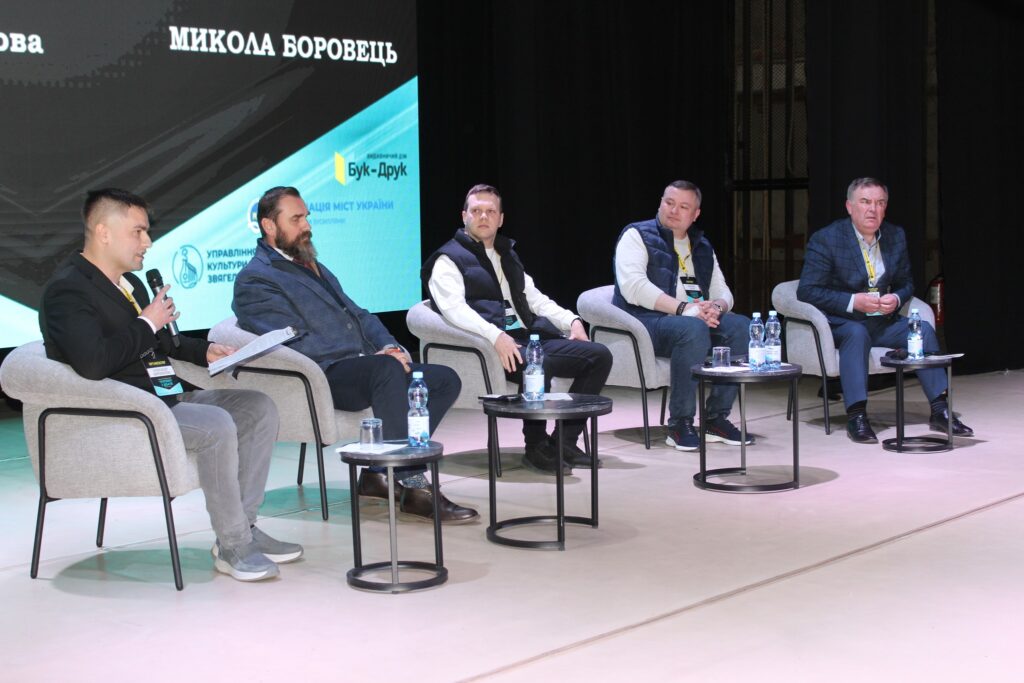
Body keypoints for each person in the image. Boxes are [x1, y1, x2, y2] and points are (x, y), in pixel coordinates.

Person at [40, 188, 301, 582]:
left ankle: (243, 529)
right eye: (138, 232)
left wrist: (205, 350)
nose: (147, 242)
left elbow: (160, 343)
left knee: (258, 407)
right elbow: (94, 363)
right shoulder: (68, 290)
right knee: (216, 424)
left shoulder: (130, 284)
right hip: (126, 413)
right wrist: (147, 321)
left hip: (164, 396)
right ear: (103, 232)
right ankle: (233, 545)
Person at [233, 186, 477, 524]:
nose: (307, 225)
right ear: (269, 226)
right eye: (296, 219)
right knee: (385, 371)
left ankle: (376, 474)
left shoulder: (312, 264)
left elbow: (359, 315)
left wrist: (390, 347)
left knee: (443, 379)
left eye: (306, 217)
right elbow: (291, 340)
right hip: (321, 376)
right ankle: (413, 484)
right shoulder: (255, 279)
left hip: (360, 367)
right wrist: (370, 360)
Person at [423, 184, 612, 475]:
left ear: (500, 219)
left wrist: (571, 321)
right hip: (492, 346)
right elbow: (454, 310)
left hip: (528, 338)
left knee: (598, 355)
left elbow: (535, 298)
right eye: (476, 210)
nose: (483, 216)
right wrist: (495, 336)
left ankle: (564, 442)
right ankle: (535, 447)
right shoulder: (448, 260)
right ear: (464, 216)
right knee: (539, 364)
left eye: (490, 211)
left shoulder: (506, 254)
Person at [797, 177, 973, 443]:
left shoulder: (895, 236)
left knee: (923, 331)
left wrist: (896, 298)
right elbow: (807, 290)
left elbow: (906, 283)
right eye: (865, 202)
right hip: (843, 322)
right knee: (856, 333)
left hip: (881, 320)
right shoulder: (827, 239)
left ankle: (940, 410)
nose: (873, 209)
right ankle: (857, 416)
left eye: (880, 203)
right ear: (849, 206)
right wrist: (853, 301)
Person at [613, 180, 751, 451]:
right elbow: (634, 287)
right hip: (647, 322)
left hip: (691, 319)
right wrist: (685, 309)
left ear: (695, 214)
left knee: (741, 326)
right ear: (660, 203)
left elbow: (722, 290)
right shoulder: (637, 235)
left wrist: (716, 308)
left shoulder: (701, 245)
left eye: (683, 207)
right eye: (669, 202)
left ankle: (715, 419)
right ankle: (680, 422)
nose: (674, 210)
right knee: (692, 329)